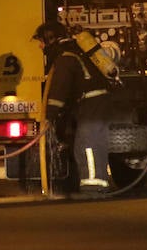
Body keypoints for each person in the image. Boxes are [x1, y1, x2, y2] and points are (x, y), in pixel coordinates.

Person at [34, 21, 114, 198]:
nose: (40, 46)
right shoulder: (76, 52)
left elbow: (58, 91)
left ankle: (93, 187)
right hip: (99, 101)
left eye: (41, 41)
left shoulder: (65, 58)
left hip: (92, 102)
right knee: (95, 142)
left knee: (87, 144)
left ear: (50, 39)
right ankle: (100, 184)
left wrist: (49, 116)